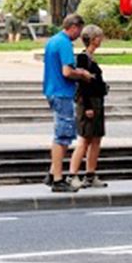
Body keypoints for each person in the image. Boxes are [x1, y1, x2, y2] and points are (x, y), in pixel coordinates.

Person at [42, 13, 85, 191]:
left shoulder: (53, 41)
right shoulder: (65, 43)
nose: (80, 35)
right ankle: (58, 180)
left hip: (53, 90)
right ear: (73, 27)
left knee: (63, 133)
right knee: (62, 136)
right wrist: (82, 74)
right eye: (79, 30)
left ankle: (53, 173)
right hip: (62, 92)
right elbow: (67, 72)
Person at [67, 23, 109, 188]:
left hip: (96, 100)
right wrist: (88, 107)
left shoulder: (90, 58)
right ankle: (73, 174)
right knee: (85, 139)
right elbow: (83, 84)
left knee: (96, 138)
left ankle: (90, 174)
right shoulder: (83, 58)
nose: (101, 40)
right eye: (99, 37)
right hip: (88, 102)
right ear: (93, 39)